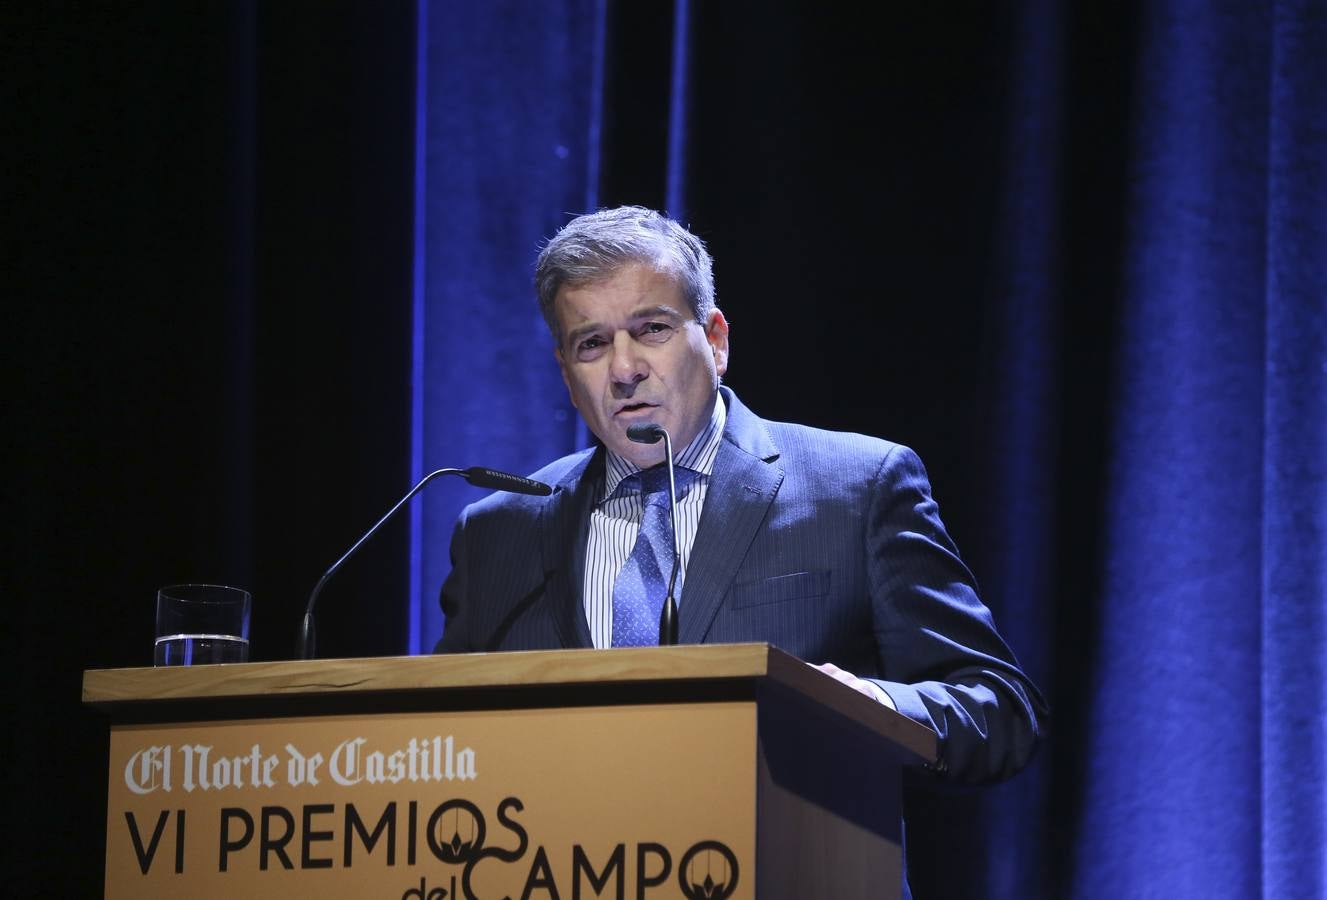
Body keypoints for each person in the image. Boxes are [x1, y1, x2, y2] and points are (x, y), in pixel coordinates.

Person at [436, 205, 1045, 786]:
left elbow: (998, 710)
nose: (625, 369)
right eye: (591, 344)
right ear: (567, 376)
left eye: (652, 329)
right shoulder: (498, 532)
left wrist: (875, 705)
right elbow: (443, 742)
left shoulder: (856, 489)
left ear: (716, 341)